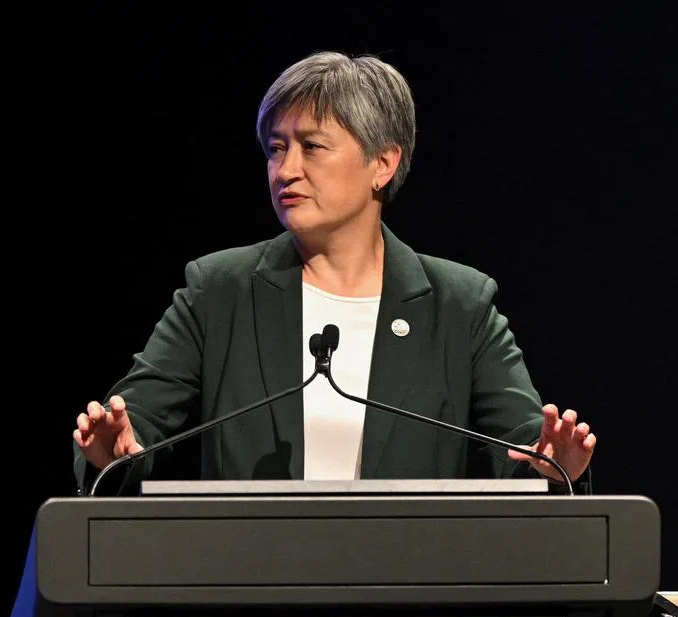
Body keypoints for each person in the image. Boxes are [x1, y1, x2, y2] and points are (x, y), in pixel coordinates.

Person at [72, 50, 596, 495]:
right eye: (276, 148)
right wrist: (112, 451)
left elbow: (525, 445)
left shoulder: (459, 304)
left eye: (313, 146)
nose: (286, 169)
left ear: (382, 164)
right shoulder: (219, 291)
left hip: (408, 595)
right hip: (255, 593)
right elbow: (133, 423)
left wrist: (555, 461)